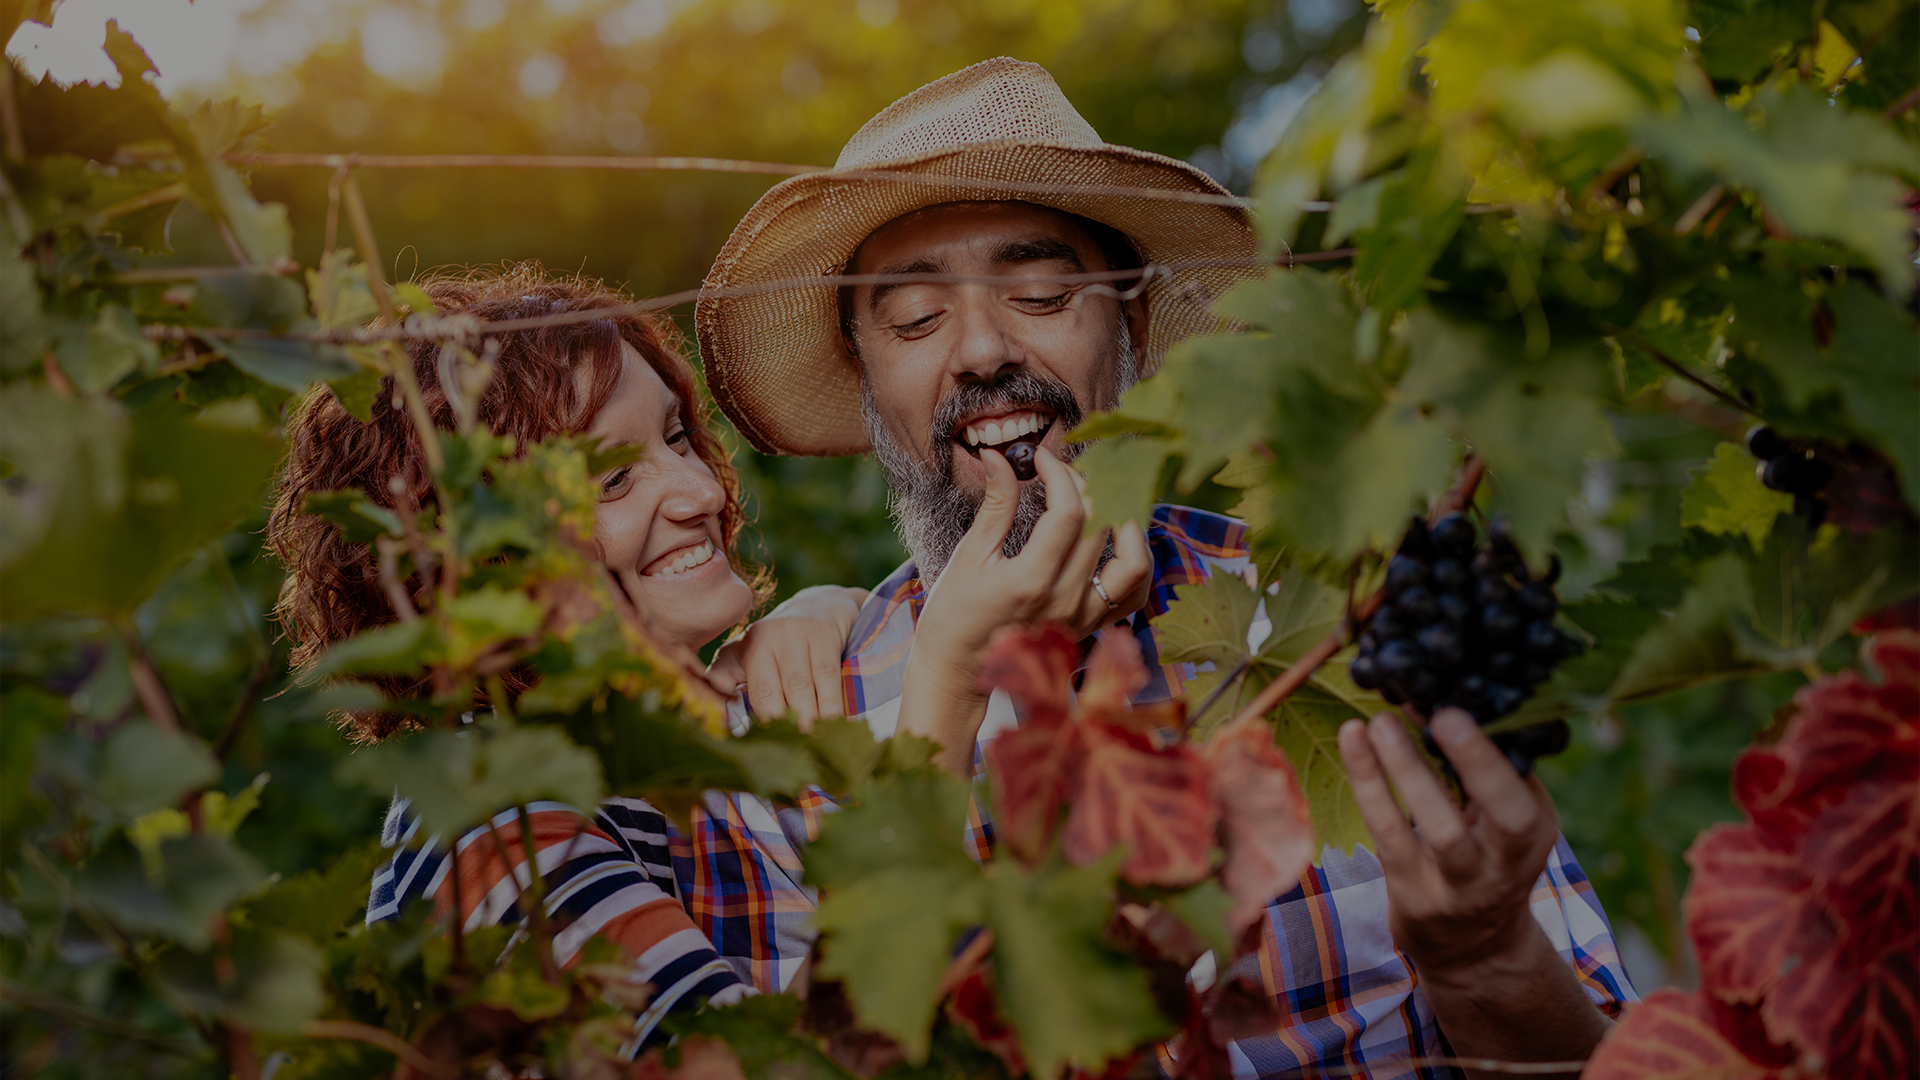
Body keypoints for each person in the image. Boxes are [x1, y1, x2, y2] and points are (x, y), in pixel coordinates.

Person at [697, 58, 1635, 1077]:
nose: (978, 350)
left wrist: (1487, 958)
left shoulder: (1357, 618)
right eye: (916, 319)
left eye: (1043, 291)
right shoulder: (778, 744)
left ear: (1134, 325)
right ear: (868, 378)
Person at [269, 266, 860, 1048]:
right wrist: (945, 676)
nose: (700, 493)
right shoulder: (495, 819)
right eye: (613, 480)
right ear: (478, 561)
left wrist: (841, 608)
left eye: (677, 436)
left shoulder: (625, 767)